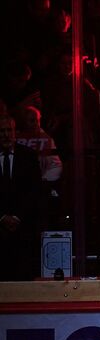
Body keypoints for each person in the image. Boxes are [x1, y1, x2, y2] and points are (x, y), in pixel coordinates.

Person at [0, 115, 42, 279]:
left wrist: (17, 217)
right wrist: (2, 217)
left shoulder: (28, 156)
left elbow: (34, 190)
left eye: (9, 130)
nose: (5, 135)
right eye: (1, 131)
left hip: (23, 222)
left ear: (15, 132)